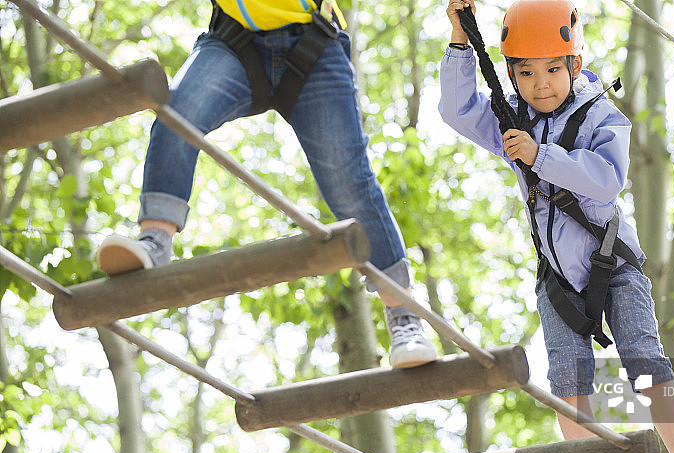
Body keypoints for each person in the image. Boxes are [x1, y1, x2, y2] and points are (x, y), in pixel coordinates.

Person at [440, 0, 674, 453]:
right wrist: (461, 41)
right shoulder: (513, 119)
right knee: (568, 380)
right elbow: (459, 111)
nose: (539, 84)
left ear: (573, 64)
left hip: (612, 264)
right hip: (558, 277)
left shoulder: (600, 115)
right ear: (510, 73)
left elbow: (606, 179)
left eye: (551, 70)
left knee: (645, 362)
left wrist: (540, 155)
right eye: (524, 73)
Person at [96, 0, 436, 369]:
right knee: (175, 117)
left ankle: (404, 317)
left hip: (314, 42)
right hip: (233, 42)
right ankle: (156, 239)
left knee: (348, 182)